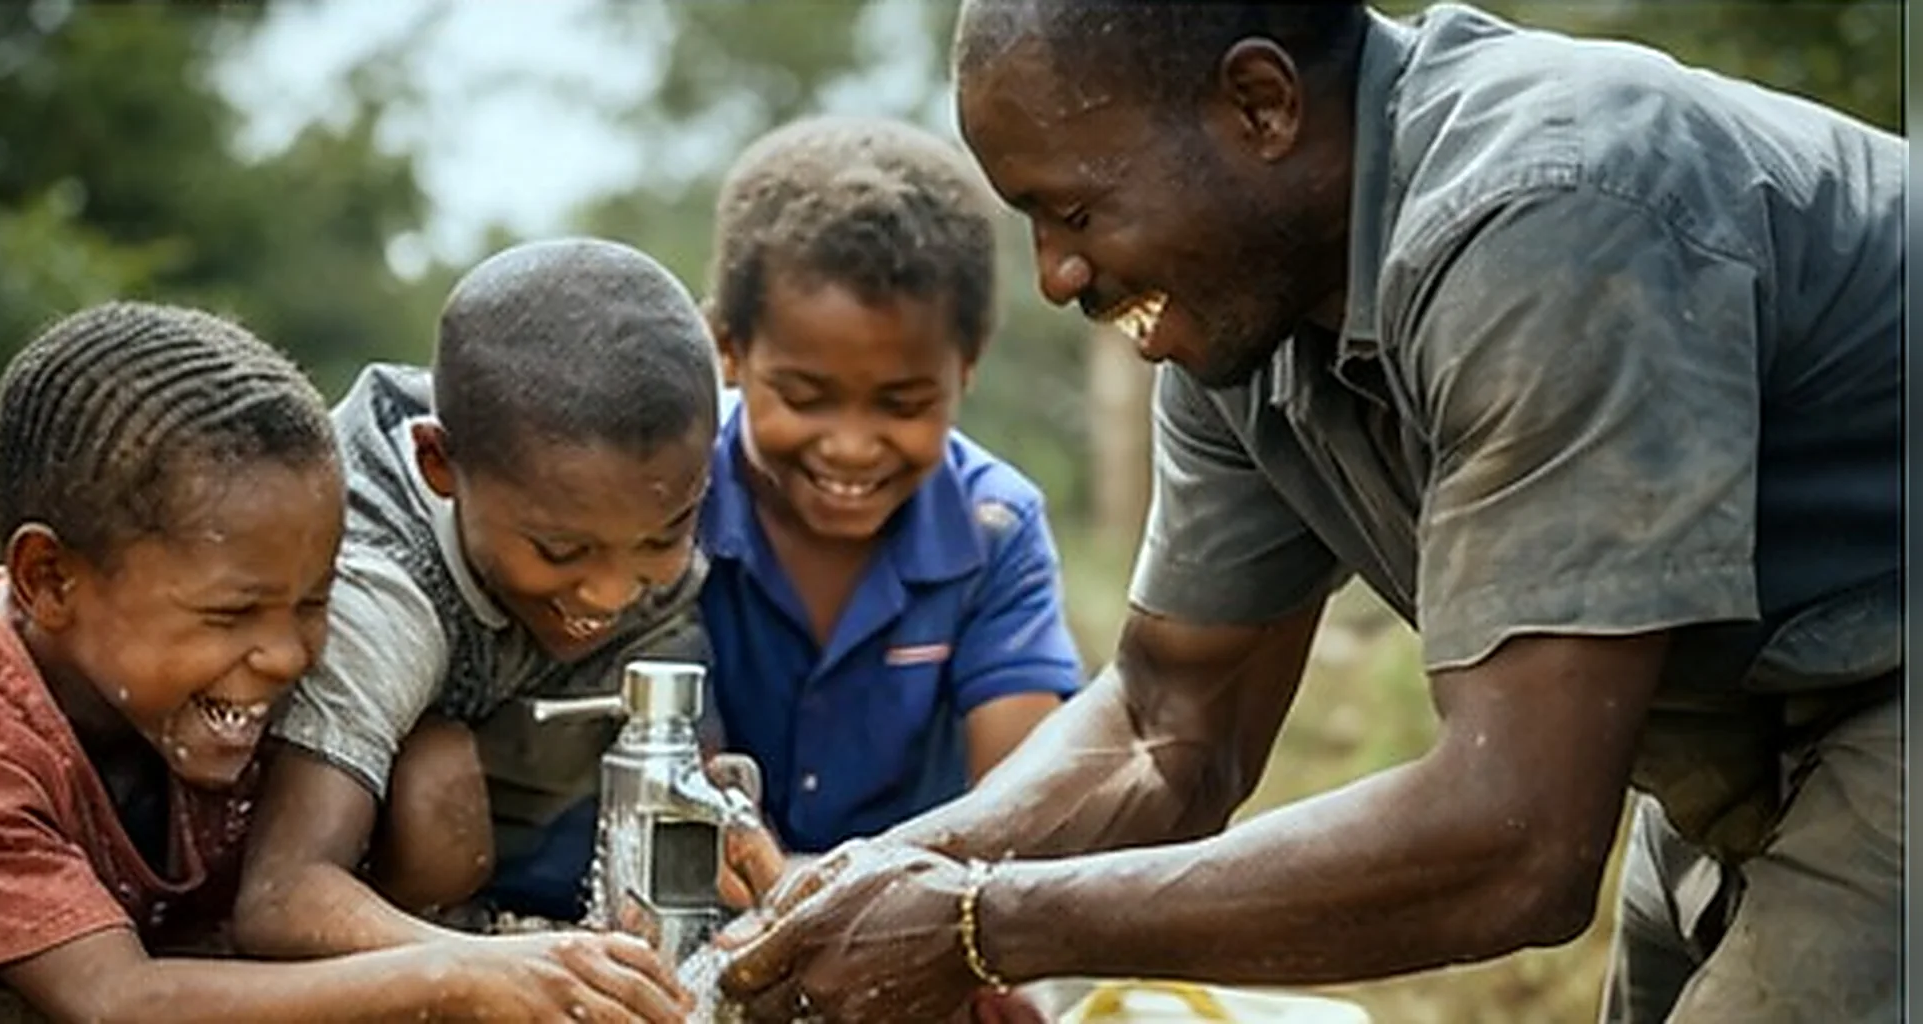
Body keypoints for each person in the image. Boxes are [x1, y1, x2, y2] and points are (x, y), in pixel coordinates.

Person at [716, 3, 1904, 1022]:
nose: (1052, 276)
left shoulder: (1547, 212)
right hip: (1737, 737)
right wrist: (883, 877)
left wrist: (983, 923)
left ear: (1258, 105)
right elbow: (1167, 723)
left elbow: (1516, 840)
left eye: (1073, 212)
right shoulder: (1237, 312)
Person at [0, 301, 682, 1022]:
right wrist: (459, 975)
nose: (288, 654)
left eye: (314, 600)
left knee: (432, 766)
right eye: (232, 614)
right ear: (51, 579)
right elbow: (114, 1001)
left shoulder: (177, 683)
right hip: (65, 995)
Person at [228, 239, 754, 1019]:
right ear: (440, 466)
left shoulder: (626, 490)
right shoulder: (382, 589)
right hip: (260, 839)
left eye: (663, 535)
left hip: (508, 764)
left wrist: (723, 827)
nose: (611, 589)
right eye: (561, 551)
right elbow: (280, 895)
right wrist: (490, 968)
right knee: (433, 781)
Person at [697, 114, 1082, 858]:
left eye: (903, 406)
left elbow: (1021, 804)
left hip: (907, 919)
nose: (850, 446)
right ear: (729, 352)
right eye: (805, 397)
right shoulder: (670, 497)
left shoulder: (995, 528)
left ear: (966, 367)